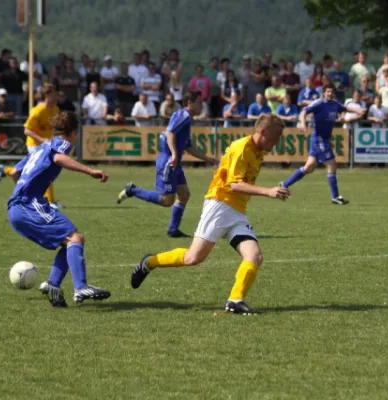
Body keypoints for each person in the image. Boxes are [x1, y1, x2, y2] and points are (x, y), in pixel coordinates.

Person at [130, 114, 289, 315]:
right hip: (220, 205)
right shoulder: (242, 148)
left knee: (254, 256)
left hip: (237, 211)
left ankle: (235, 300)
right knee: (192, 258)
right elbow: (234, 184)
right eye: (276, 137)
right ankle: (149, 262)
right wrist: (268, 191)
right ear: (263, 132)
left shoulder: (258, 151)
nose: (277, 142)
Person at [7, 111, 111, 307]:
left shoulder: (40, 147)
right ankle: (80, 287)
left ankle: (52, 285)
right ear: (73, 132)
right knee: (75, 238)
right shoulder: (61, 144)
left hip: (19, 207)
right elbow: (59, 159)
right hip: (27, 204)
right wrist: (91, 171)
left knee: (69, 241)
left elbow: (14, 172)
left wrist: (23, 189)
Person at [116, 92, 216, 237]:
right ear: (189, 102)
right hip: (169, 161)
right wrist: (175, 154)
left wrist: (207, 158)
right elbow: (170, 133)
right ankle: (133, 190)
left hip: (174, 161)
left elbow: (188, 146)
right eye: (199, 102)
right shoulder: (184, 115)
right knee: (166, 200)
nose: (202, 105)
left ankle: (173, 229)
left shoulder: (186, 119)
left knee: (184, 195)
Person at [280, 84, 365, 204]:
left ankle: (285, 184)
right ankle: (335, 197)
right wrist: (303, 123)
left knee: (308, 167)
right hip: (319, 139)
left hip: (324, 139)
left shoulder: (335, 104)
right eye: (328, 92)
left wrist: (358, 110)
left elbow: (345, 108)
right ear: (324, 93)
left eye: (331, 92)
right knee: (332, 164)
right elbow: (303, 111)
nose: (330, 93)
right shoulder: (319, 103)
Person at [0, 84, 63, 209]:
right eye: (54, 93)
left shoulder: (55, 109)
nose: (56, 95)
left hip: (46, 146)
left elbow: (56, 127)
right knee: (42, 171)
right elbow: (27, 130)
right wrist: (43, 139)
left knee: (34, 171)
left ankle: (5, 170)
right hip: (34, 145)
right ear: (47, 95)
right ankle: (48, 201)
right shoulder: (37, 111)